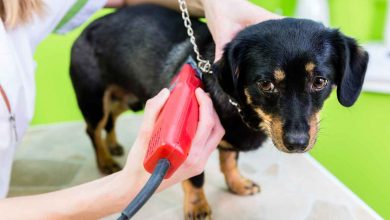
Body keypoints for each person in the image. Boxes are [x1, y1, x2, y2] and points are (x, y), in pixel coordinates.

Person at [0, 0, 280, 218]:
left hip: (127, 45)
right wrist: (122, 189)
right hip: (97, 52)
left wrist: (217, 4)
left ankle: (231, 173)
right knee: (99, 117)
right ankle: (102, 142)